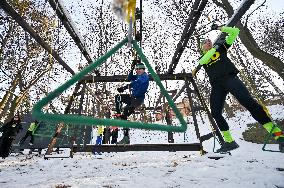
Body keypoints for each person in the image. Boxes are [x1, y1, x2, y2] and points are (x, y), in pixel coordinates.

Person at [192, 24, 284, 153]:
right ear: (202, 48)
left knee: (249, 102)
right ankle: (229, 141)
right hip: (217, 85)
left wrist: (219, 28)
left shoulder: (221, 48)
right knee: (215, 113)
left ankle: (279, 136)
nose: (208, 43)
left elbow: (235, 31)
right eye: (205, 43)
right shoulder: (203, 57)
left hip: (229, 78)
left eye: (209, 41)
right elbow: (203, 61)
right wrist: (214, 48)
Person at [114, 60, 149, 144]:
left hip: (137, 100)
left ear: (143, 69)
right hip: (132, 98)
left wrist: (124, 87)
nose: (137, 71)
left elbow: (136, 82)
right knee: (118, 97)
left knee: (125, 112)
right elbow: (130, 78)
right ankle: (126, 137)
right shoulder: (137, 76)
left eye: (139, 69)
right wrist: (132, 68)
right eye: (136, 69)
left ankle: (124, 113)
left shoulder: (145, 77)